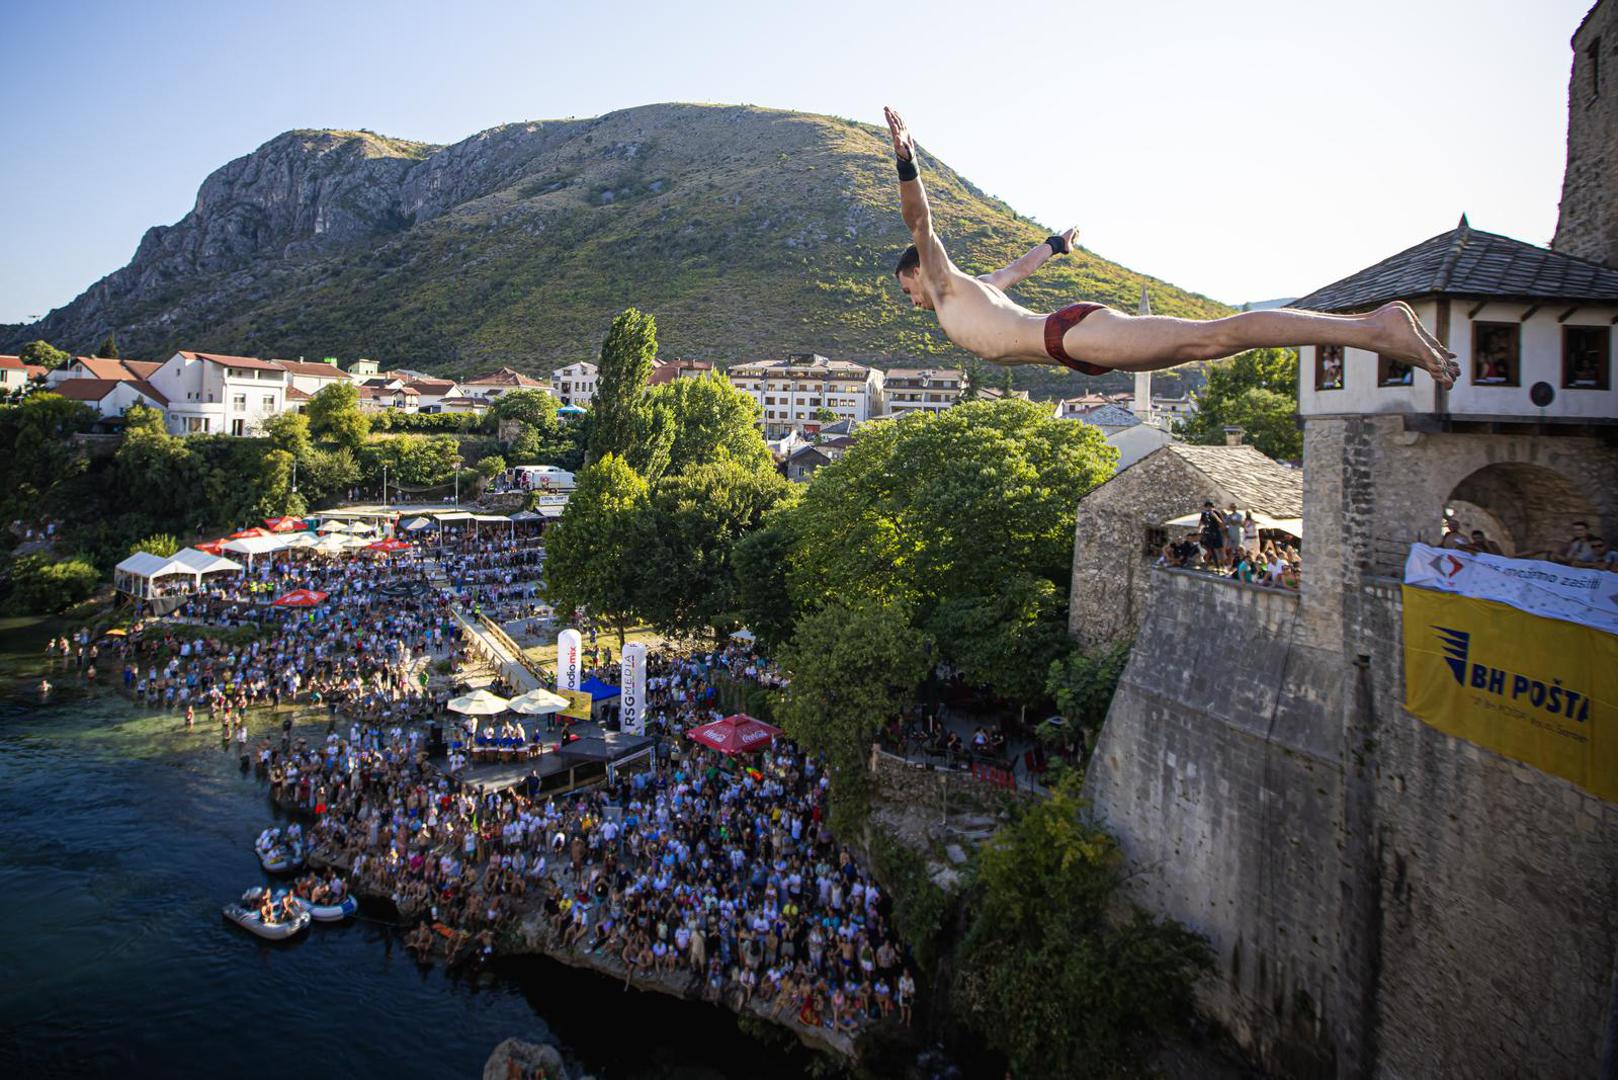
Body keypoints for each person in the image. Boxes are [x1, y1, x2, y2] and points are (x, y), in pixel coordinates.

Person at [880, 106, 1460, 386]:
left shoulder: (943, 280)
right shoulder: (975, 293)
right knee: (1216, 347)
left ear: (918, 274)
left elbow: (919, 220)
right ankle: (1374, 331)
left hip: (1072, 334)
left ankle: (1374, 329)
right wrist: (1056, 245)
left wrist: (907, 161)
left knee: (1216, 335)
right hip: (1077, 347)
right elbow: (1018, 268)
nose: (912, 302)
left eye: (907, 289)